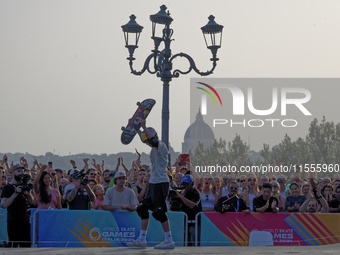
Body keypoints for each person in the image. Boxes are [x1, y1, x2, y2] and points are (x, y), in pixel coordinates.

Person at [127, 119, 175, 249]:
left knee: (159, 213)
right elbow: (145, 139)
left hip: (161, 183)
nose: (146, 143)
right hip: (153, 184)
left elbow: (152, 140)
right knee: (141, 209)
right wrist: (136, 129)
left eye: (148, 140)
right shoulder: (153, 148)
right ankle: (142, 240)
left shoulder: (161, 145)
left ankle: (169, 240)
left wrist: (143, 126)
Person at [1, 164, 34, 247]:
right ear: (13, 172)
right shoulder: (7, 187)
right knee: (13, 247)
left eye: (22, 171)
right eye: (18, 171)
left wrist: (28, 194)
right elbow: (4, 205)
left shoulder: (24, 186)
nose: (21, 173)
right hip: (13, 221)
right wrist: (16, 192)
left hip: (25, 221)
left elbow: (33, 202)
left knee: (26, 247)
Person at [173, 175, 202, 246]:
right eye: (183, 184)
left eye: (187, 184)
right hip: (184, 223)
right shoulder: (183, 192)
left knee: (194, 243)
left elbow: (192, 205)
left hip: (194, 223)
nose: (185, 186)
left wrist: (181, 197)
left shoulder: (196, 193)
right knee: (185, 243)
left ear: (191, 184)